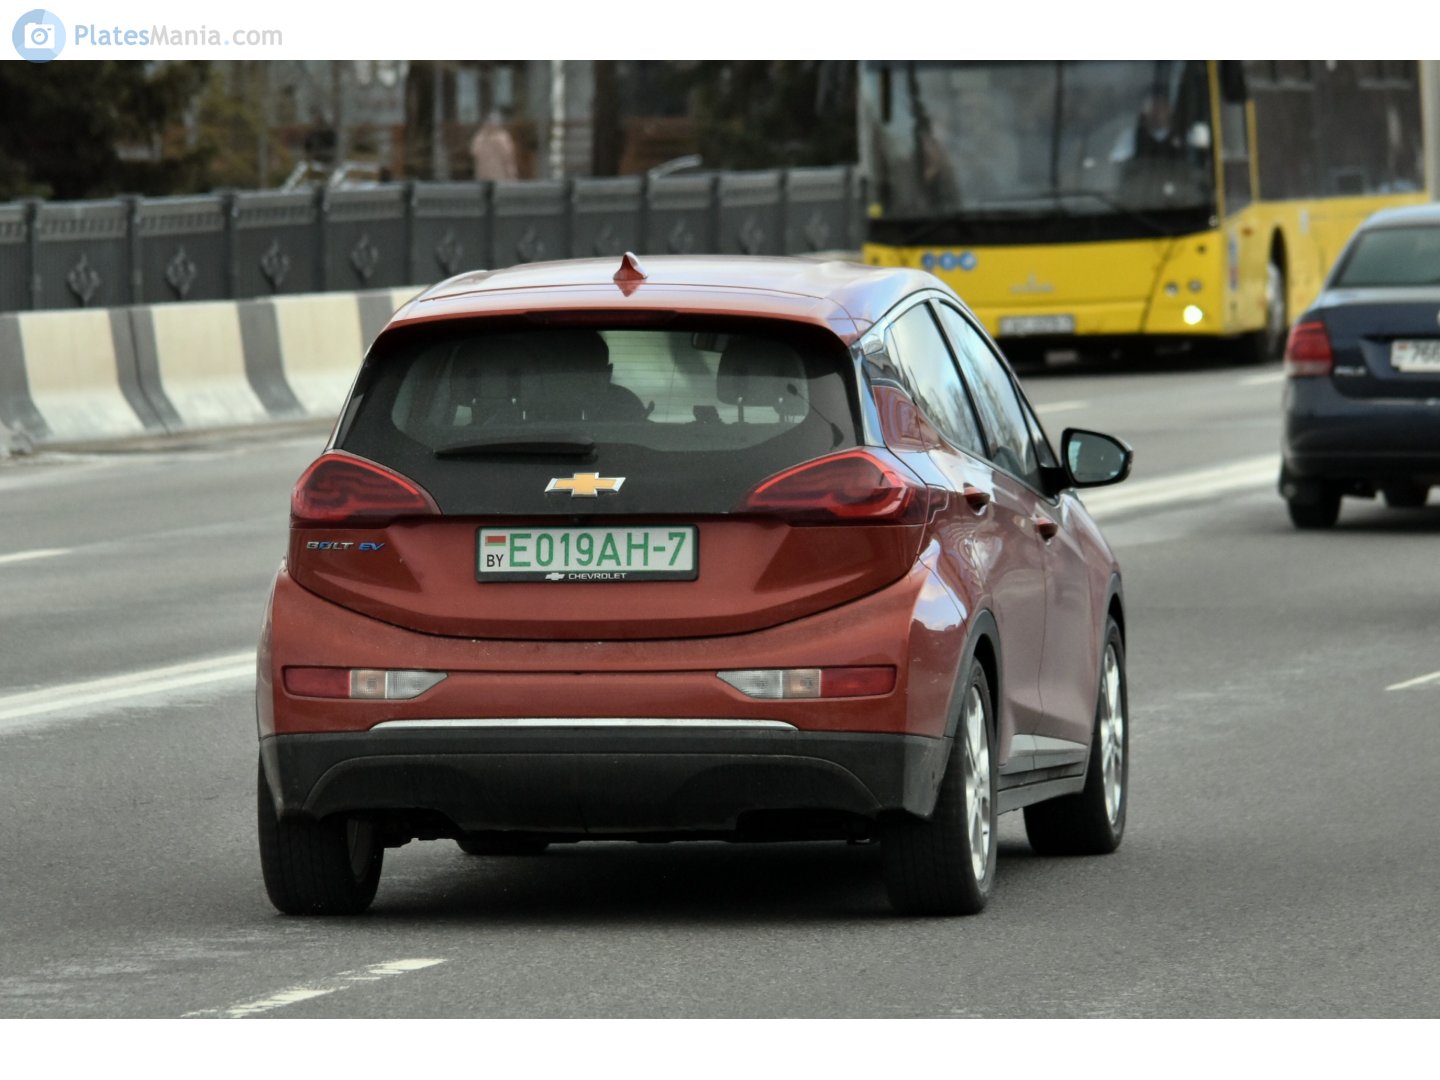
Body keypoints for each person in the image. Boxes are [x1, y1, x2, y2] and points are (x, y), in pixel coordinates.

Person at [469, 112, 519, 181]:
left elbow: (508, 156)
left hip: (498, 174)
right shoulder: (480, 137)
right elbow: (474, 152)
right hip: (485, 175)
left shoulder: (502, 137)